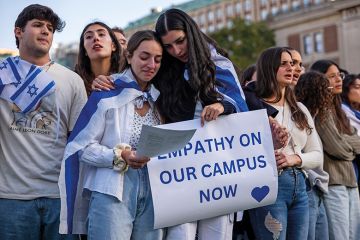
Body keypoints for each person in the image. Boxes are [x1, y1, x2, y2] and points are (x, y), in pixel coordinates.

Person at [153, 8, 249, 240]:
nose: (176, 51)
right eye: (168, 46)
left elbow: (241, 107)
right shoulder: (163, 70)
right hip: (178, 173)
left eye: (180, 41)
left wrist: (221, 106)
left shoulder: (219, 64)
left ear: (191, 33)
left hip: (218, 170)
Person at [59, 30, 164, 240]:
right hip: (112, 191)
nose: (151, 65)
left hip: (155, 193)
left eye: (158, 60)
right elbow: (80, 148)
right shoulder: (107, 91)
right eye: (144, 57)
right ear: (129, 55)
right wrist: (119, 156)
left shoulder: (160, 97)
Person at [0, 4, 87, 239]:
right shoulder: (2, 74)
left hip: (59, 197)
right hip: (10, 198)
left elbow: (79, 140)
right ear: (18, 31)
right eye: (37, 25)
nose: (46, 31)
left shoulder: (72, 80)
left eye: (50, 28)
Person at [247, 47, 322, 240]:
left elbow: (317, 154)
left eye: (293, 63)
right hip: (270, 186)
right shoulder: (250, 107)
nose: (291, 68)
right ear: (269, 68)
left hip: (302, 187)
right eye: (283, 64)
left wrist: (294, 158)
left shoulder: (300, 108)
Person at [310, 60, 360, 240]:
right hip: (333, 182)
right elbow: (336, 148)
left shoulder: (340, 110)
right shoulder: (321, 110)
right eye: (332, 76)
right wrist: (350, 147)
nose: (338, 79)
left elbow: (357, 141)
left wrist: (345, 142)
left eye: (340, 75)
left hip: (351, 181)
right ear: (320, 79)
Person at [294, 71, 331, 240]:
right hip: (307, 184)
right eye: (325, 89)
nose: (329, 93)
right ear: (316, 90)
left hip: (318, 186)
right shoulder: (299, 111)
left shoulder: (316, 115)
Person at [75, 21, 122, 96]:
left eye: (101, 34)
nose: (96, 38)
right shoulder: (74, 82)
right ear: (85, 51)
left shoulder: (128, 76)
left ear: (113, 46)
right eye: (89, 37)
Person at [341, 74, 360, 188]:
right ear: (346, 89)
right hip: (351, 163)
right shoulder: (342, 109)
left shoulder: (356, 112)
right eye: (357, 87)